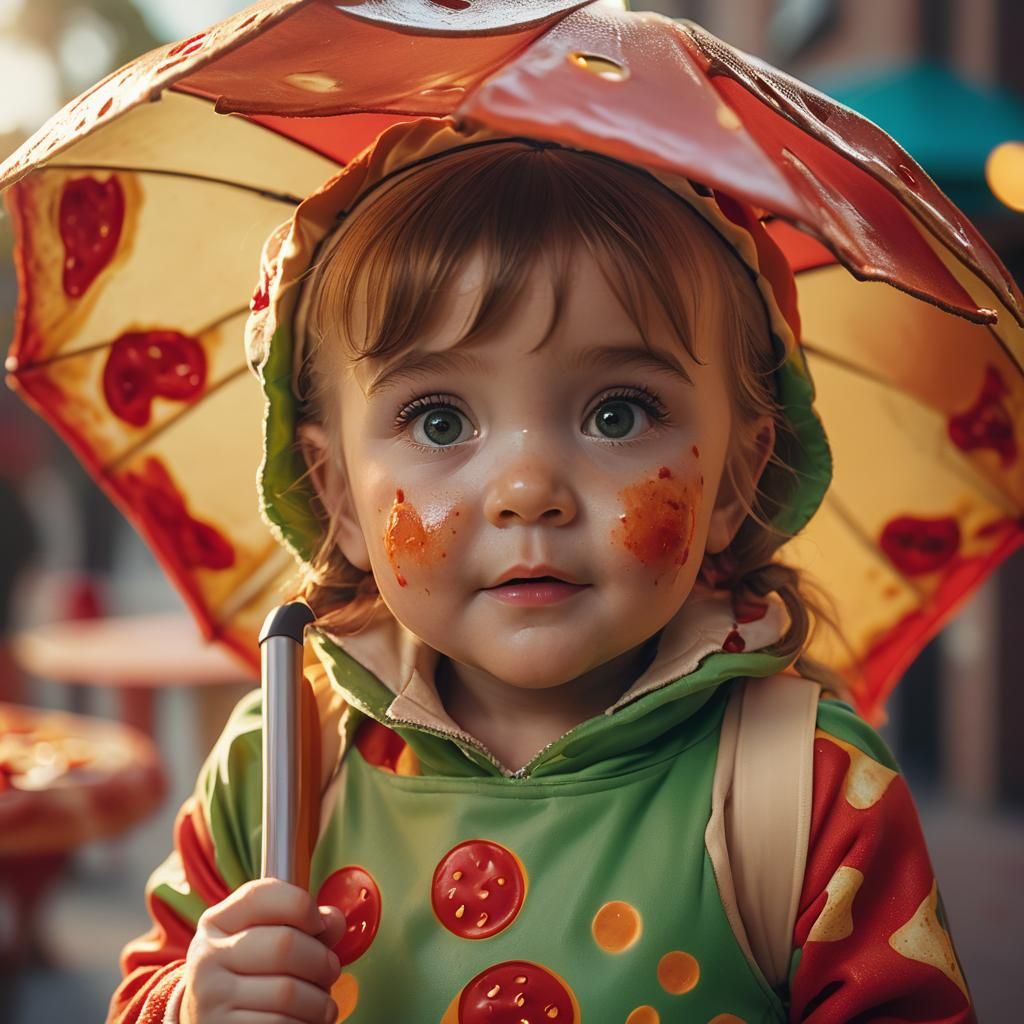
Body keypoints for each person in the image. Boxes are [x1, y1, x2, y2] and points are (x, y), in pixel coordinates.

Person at [107, 118, 977, 1024]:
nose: (528, 491)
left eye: (617, 415)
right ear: (338, 497)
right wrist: (191, 1006)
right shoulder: (280, 767)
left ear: (735, 479)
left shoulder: (813, 791)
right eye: (439, 420)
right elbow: (146, 986)